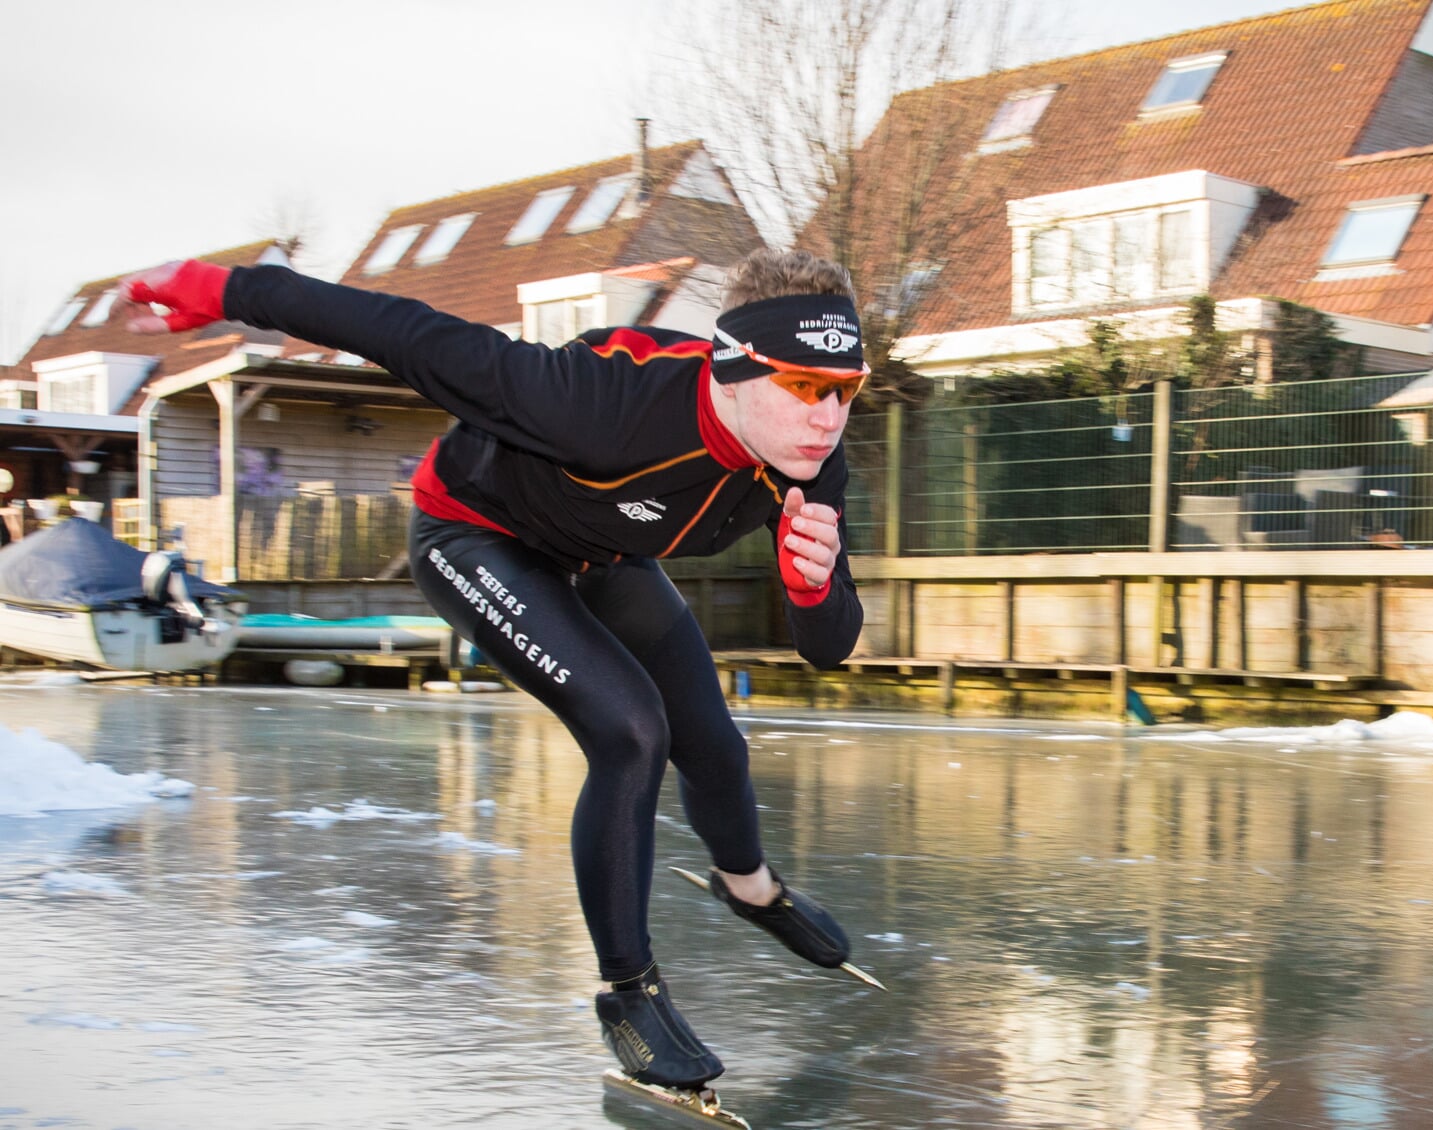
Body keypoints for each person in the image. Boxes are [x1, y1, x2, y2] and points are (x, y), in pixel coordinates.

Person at [119, 248, 872, 1092]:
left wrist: (810, 589)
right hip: (475, 537)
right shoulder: (594, 396)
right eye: (805, 385)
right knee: (631, 731)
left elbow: (827, 647)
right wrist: (219, 290)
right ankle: (628, 994)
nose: (828, 414)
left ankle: (752, 890)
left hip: (600, 555)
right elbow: (396, 330)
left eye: (847, 386)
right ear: (733, 371)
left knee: (715, 746)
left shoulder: (811, 465)